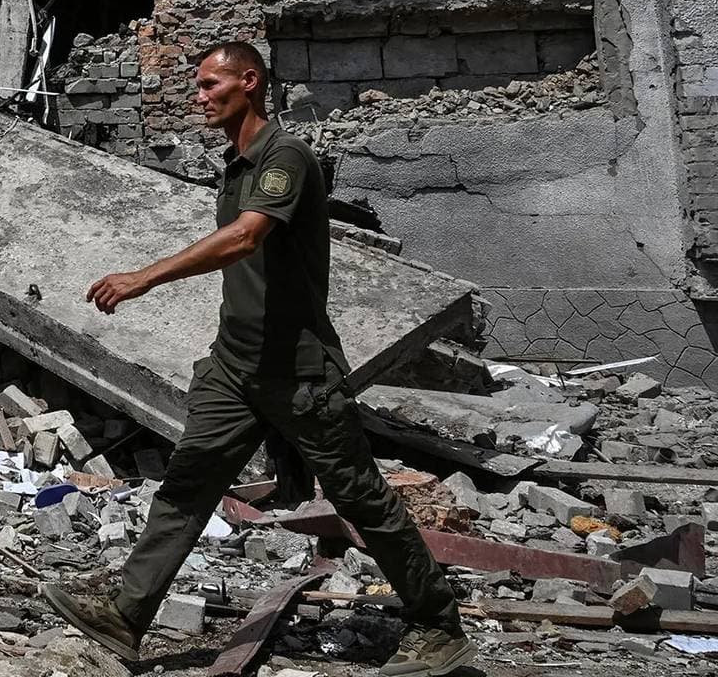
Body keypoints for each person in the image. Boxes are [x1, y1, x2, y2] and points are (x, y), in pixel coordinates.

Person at [41, 42, 476, 677]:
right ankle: (126, 616)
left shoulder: (285, 156)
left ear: (249, 82)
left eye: (209, 84)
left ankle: (438, 625)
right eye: (197, 86)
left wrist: (144, 277)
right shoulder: (236, 163)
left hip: (297, 371)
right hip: (234, 367)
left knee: (360, 497)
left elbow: (246, 236)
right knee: (188, 484)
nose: (199, 97)